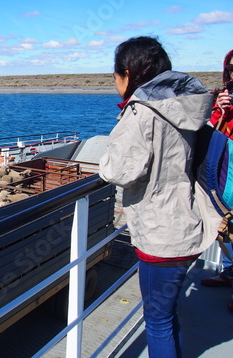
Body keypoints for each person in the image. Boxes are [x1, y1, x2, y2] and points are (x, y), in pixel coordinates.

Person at [98, 36, 216, 358]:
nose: (115, 83)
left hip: (160, 235)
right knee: (167, 313)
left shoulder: (143, 112)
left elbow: (117, 171)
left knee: (157, 320)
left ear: (127, 73)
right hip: (186, 222)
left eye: (115, 76)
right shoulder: (184, 106)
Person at [200, 50, 233, 311]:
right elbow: (210, 132)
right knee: (224, 228)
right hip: (223, 175)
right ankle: (230, 272)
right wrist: (219, 110)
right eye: (231, 70)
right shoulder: (221, 100)